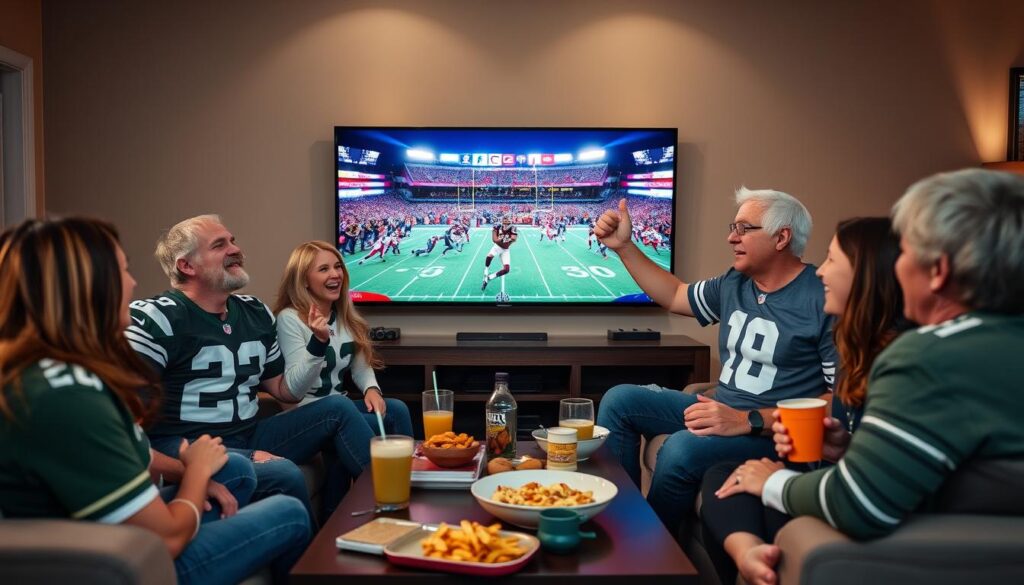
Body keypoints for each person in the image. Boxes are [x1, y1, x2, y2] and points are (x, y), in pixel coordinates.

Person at [712, 169, 1024, 585]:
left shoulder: (929, 356)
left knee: (740, 481)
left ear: (938, 271)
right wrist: (844, 448)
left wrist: (773, 483)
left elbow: (861, 504)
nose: (897, 268)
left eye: (907, 253)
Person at [0, 218, 310, 585]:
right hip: (110, 562)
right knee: (289, 513)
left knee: (237, 471)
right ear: (86, 290)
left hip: (106, 538)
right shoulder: (67, 395)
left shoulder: (50, 373)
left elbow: (135, 459)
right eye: (122, 270)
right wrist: (195, 470)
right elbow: (165, 537)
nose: (132, 283)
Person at [593, 189, 838, 535]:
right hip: (721, 410)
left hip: (776, 433)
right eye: (732, 226)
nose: (731, 237)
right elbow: (677, 295)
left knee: (681, 449)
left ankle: (647, 547)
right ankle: (619, 520)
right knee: (620, 400)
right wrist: (624, 248)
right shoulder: (736, 282)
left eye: (744, 228)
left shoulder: (824, 298)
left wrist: (748, 419)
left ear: (781, 237)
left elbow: (840, 400)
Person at [699, 216, 906, 585]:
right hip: (826, 471)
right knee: (724, 476)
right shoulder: (857, 346)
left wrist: (777, 483)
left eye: (832, 260)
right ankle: (749, 556)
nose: (821, 272)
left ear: (866, 276)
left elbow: (885, 475)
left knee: (727, 475)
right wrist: (840, 446)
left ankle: (752, 560)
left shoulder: (898, 362)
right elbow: (863, 434)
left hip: (846, 496)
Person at [126, 214, 372, 522]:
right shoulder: (156, 318)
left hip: (249, 433)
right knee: (284, 473)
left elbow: (287, 393)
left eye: (233, 240)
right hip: (188, 444)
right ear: (186, 266)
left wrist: (317, 345)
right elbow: (122, 423)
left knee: (337, 407)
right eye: (219, 245)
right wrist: (247, 457)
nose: (235, 249)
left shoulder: (254, 312)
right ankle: (308, 564)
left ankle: (392, 502)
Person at [273, 240, 413, 436]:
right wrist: (318, 343)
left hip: (340, 408)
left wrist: (371, 389)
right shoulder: (289, 319)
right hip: (307, 414)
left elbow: (361, 366)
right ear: (304, 280)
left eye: (338, 266)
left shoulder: (344, 316)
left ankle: (409, 466)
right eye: (323, 269)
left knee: (397, 409)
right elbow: (295, 387)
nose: (335, 274)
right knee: (367, 422)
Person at [482, 215, 518, 290]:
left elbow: (514, 239)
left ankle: (490, 277)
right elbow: (494, 239)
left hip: (505, 249)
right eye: (504, 220)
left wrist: (506, 239)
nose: (506, 222)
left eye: (507, 220)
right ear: (502, 220)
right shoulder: (497, 226)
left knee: (506, 269)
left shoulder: (513, 228)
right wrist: (503, 239)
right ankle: (486, 269)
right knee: (490, 256)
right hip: (497, 247)